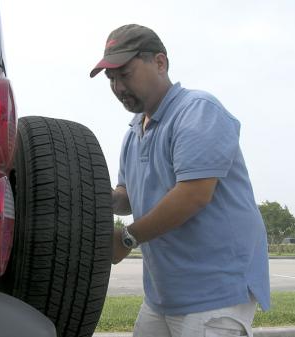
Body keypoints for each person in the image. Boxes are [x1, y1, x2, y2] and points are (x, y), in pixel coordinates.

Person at [90, 24, 270, 337]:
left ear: (160, 63)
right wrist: (91, 195)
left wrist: (127, 238)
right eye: (111, 78)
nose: (118, 86)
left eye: (125, 73)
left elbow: (194, 194)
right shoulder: (134, 133)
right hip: (163, 296)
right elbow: (127, 196)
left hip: (215, 293)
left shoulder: (197, 111)